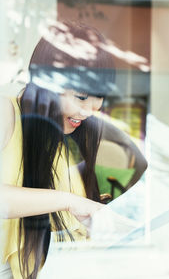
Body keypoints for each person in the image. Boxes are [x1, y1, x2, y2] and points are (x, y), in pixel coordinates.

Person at [0, 21, 147, 279]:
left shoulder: (78, 136)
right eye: (80, 97)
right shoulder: (6, 113)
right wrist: (68, 202)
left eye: (99, 97)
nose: (90, 110)